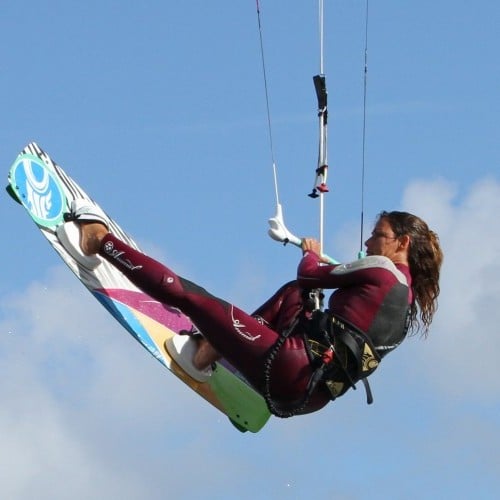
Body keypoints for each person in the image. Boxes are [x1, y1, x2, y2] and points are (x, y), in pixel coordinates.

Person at [58, 201, 443, 417]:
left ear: (402, 243)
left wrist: (309, 252)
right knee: (295, 295)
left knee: (192, 298)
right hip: (309, 398)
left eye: (378, 236)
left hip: (289, 366)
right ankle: (212, 348)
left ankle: (97, 241)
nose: (369, 241)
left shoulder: (382, 269)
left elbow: (310, 274)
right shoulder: (407, 308)